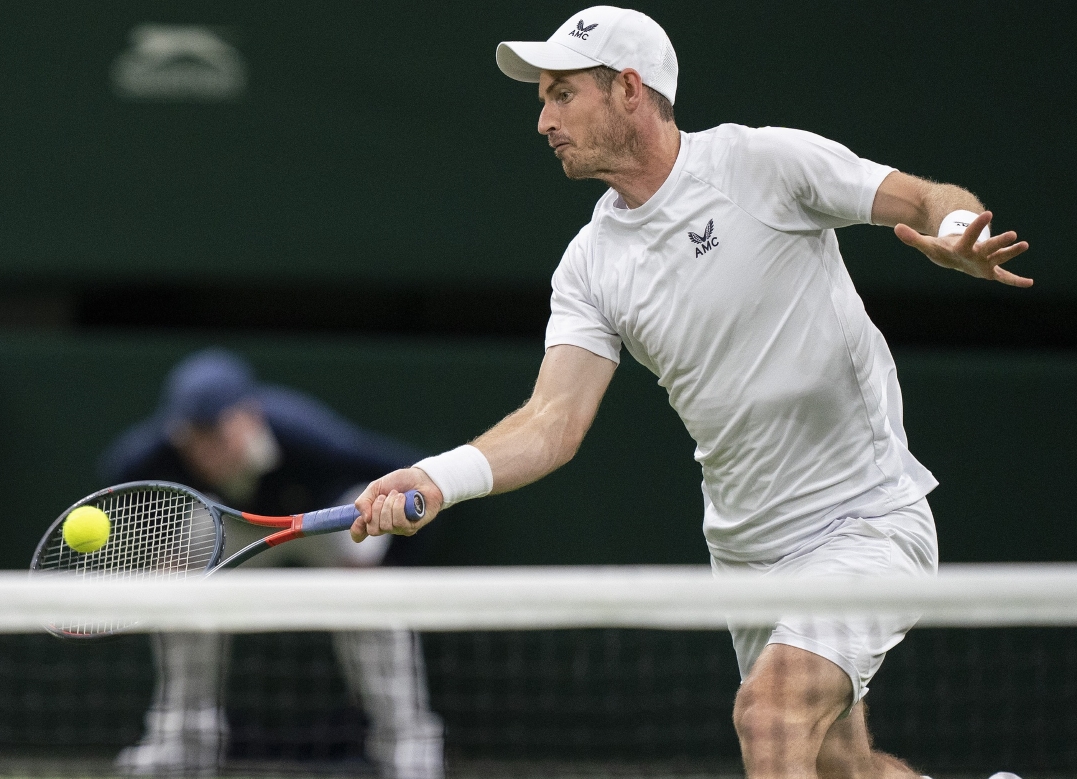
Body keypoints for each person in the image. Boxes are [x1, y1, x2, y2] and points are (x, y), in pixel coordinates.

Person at [348, 7, 1030, 779]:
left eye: (561, 94)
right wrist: (435, 477)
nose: (543, 121)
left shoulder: (763, 164)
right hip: (745, 553)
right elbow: (552, 421)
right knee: (844, 764)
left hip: (864, 519)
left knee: (768, 715)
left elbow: (923, 198)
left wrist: (959, 231)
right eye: (542, 99)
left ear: (629, 89)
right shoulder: (589, 266)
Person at [103, 349, 443, 779]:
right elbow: (118, 488)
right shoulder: (154, 454)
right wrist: (159, 552)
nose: (206, 449)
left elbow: (416, 485)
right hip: (235, 527)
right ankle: (181, 744)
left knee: (373, 607)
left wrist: (388, 568)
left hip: (326, 521)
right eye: (194, 436)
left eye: (218, 433)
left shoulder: (309, 436)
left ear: (248, 417)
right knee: (181, 596)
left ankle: (409, 748)